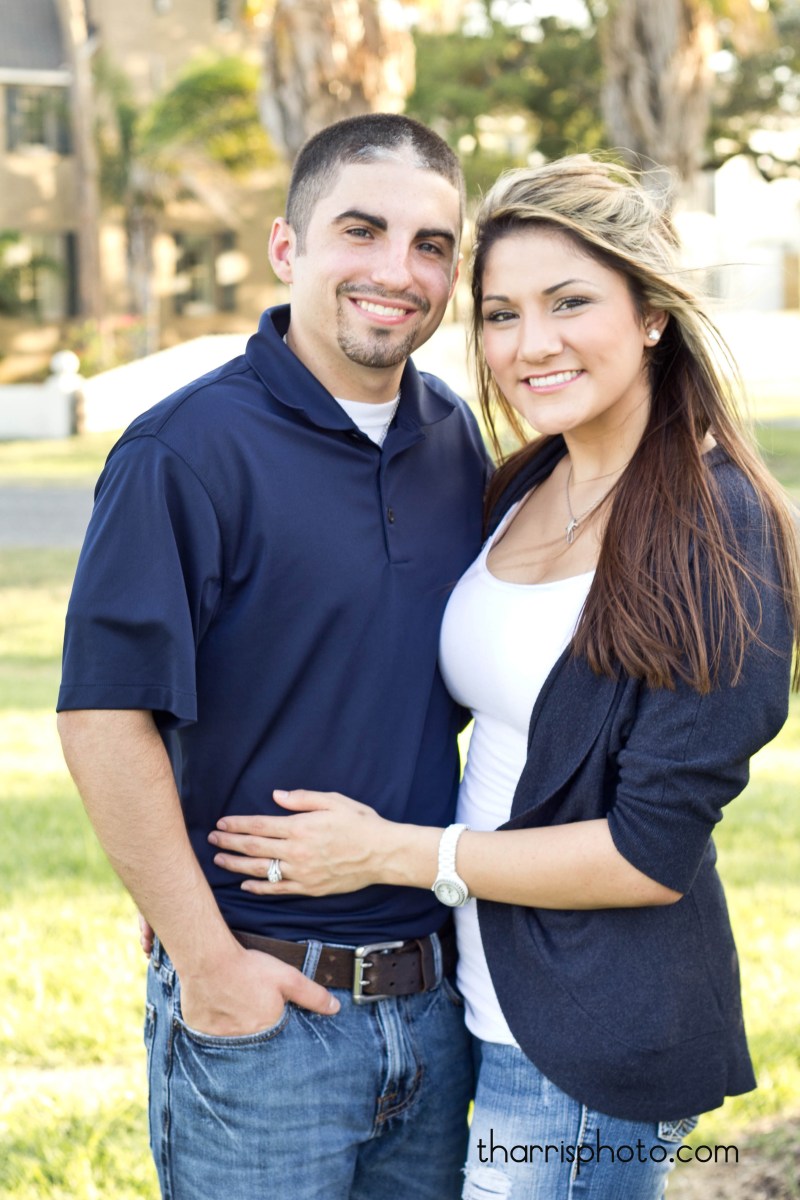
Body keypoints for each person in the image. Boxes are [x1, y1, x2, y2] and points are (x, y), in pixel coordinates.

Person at [207, 155, 800, 1199]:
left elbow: (645, 854)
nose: (530, 345)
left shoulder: (721, 530)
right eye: (499, 314)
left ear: (651, 312)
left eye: (569, 303)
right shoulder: (529, 477)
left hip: (589, 1031)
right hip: (470, 1000)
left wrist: (390, 854)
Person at [57, 113, 490, 1200]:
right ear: (287, 248)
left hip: (437, 1009)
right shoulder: (184, 451)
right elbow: (104, 718)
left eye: (431, 245)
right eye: (362, 230)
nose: (399, 272)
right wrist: (206, 966)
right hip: (264, 1014)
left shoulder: (453, 440)